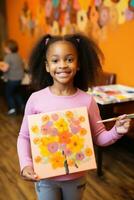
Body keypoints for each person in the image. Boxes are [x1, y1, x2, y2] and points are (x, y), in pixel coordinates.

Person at [17, 33, 131, 200]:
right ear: (47, 66)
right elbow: (24, 137)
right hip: (44, 178)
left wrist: (116, 131)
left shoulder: (87, 100)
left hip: (76, 178)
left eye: (69, 59)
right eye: (55, 61)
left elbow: (99, 137)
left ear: (78, 65)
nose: (63, 65)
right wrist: (26, 164)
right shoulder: (36, 99)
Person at [0, 39, 24, 115]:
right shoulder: (18, 55)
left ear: (8, 48)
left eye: (4, 47)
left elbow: (5, 69)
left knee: (8, 94)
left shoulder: (8, 57)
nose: (4, 49)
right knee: (16, 93)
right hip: (19, 79)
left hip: (12, 79)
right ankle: (22, 106)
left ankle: (12, 109)